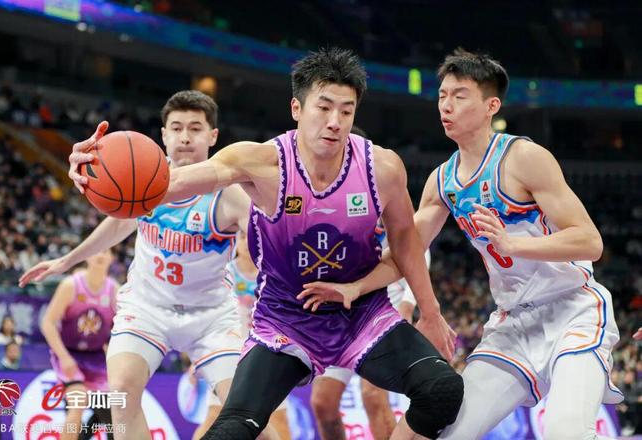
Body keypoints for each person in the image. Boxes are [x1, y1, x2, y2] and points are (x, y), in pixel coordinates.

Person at [69, 47, 463, 440]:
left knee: (442, 390)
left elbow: (406, 240)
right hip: (286, 320)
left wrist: (429, 311)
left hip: (361, 314)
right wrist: (94, 173)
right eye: (324, 107)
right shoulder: (259, 163)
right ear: (296, 108)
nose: (335, 122)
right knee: (234, 429)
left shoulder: (383, 168)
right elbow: (166, 184)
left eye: (346, 111)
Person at [300, 48, 623, 440]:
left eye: (459, 95)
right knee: (448, 430)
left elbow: (589, 241)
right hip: (514, 323)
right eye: (442, 96)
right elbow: (406, 251)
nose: (446, 105)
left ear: (491, 106)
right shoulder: (443, 180)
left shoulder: (523, 157)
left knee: (565, 432)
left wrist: (512, 244)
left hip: (573, 310)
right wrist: (355, 286)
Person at [20, 90, 279, 440]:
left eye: (195, 128)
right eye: (177, 128)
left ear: (213, 136)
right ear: (163, 135)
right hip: (147, 308)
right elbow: (118, 223)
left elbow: (271, 245)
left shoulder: (231, 195)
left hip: (211, 316)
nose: (185, 137)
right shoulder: (142, 181)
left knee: (250, 417)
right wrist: (67, 259)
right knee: (121, 391)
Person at [310, 219, 425, 440]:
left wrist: (408, 303)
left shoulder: (382, 203)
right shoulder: (325, 210)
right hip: (340, 313)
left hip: (380, 307)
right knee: (323, 403)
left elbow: (417, 244)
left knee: (373, 395)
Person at [194, 230, 291, 439]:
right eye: (243, 237)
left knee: (279, 420)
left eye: (252, 236)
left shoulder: (276, 273)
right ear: (235, 241)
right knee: (214, 417)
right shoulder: (222, 274)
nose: (247, 242)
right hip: (229, 358)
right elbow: (204, 317)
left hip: (268, 358)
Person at [39, 250, 117, 440]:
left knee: (113, 410)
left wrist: (114, 355)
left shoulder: (114, 290)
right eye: (98, 250)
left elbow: (120, 328)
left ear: (112, 258)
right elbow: (48, 323)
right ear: (87, 256)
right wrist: (64, 357)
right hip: (69, 354)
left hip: (97, 357)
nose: (101, 255)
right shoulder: (71, 285)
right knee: (78, 400)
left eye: (106, 251)